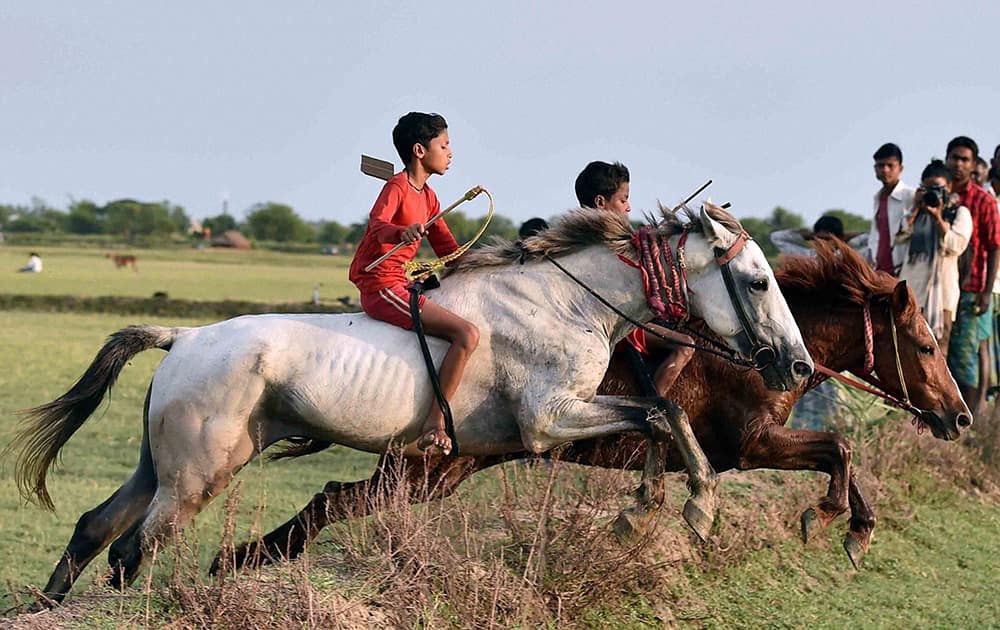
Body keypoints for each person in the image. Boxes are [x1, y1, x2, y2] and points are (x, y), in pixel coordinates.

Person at [348, 112, 479, 455]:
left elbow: (449, 250)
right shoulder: (396, 187)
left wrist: (493, 265)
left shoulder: (430, 198)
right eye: (444, 145)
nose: (450, 153)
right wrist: (400, 232)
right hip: (381, 286)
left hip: (401, 283)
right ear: (420, 151)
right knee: (467, 334)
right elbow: (378, 225)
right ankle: (435, 423)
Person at [574, 160, 694, 396]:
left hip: (605, 321)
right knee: (686, 345)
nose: (628, 207)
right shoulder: (598, 240)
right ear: (600, 202)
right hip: (610, 325)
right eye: (623, 199)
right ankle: (653, 413)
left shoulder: (583, 235)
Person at [945, 137, 1000, 416]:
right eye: (954, 157)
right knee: (938, 358)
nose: (958, 164)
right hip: (940, 289)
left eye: (964, 159)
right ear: (946, 159)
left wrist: (987, 292)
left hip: (971, 290)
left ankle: (968, 424)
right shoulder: (938, 194)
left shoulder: (983, 200)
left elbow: (994, 248)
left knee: (966, 361)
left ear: (974, 164)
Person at [895, 159, 972, 351]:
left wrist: (938, 218)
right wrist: (915, 209)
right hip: (913, 289)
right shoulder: (916, 213)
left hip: (943, 292)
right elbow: (899, 238)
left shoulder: (958, 213)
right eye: (928, 189)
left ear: (949, 187)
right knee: (908, 347)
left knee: (939, 347)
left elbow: (957, 245)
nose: (933, 194)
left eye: (938, 188)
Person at [867, 143, 915, 275]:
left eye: (890, 166)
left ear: (900, 168)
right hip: (879, 271)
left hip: (903, 269)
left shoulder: (911, 196)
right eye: (881, 166)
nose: (885, 170)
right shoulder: (878, 198)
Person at [769, 215, 848, 257]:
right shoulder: (805, 256)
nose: (823, 243)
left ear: (838, 239)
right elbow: (776, 237)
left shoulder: (845, 259)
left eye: (827, 239)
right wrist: (808, 235)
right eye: (820, 238)